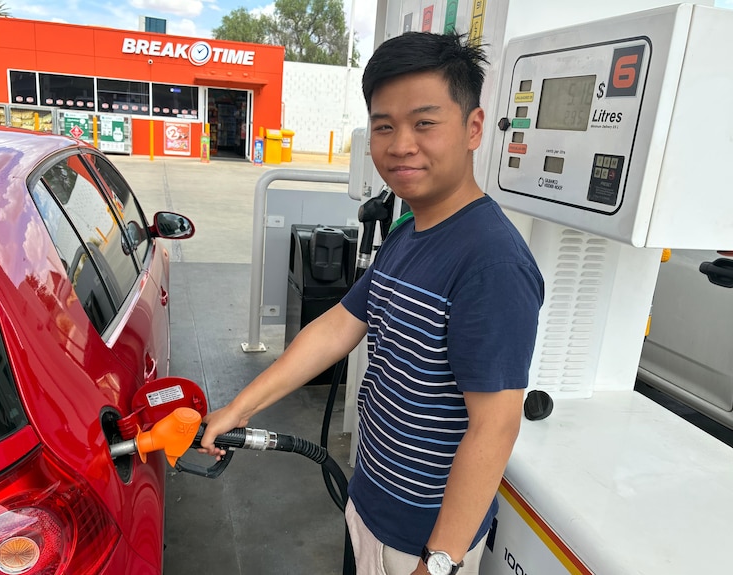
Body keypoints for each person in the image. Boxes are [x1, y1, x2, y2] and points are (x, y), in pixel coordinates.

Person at [199, 31, 544, 575]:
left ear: (474, 128)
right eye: (384, 126)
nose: (400, 144)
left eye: (424, 123)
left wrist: (439, 562)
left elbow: (495, 426)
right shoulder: (410, 231)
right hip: (370, 499)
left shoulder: (491, 262)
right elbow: (339, 325)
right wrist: (239, 408)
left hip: (421, 539)